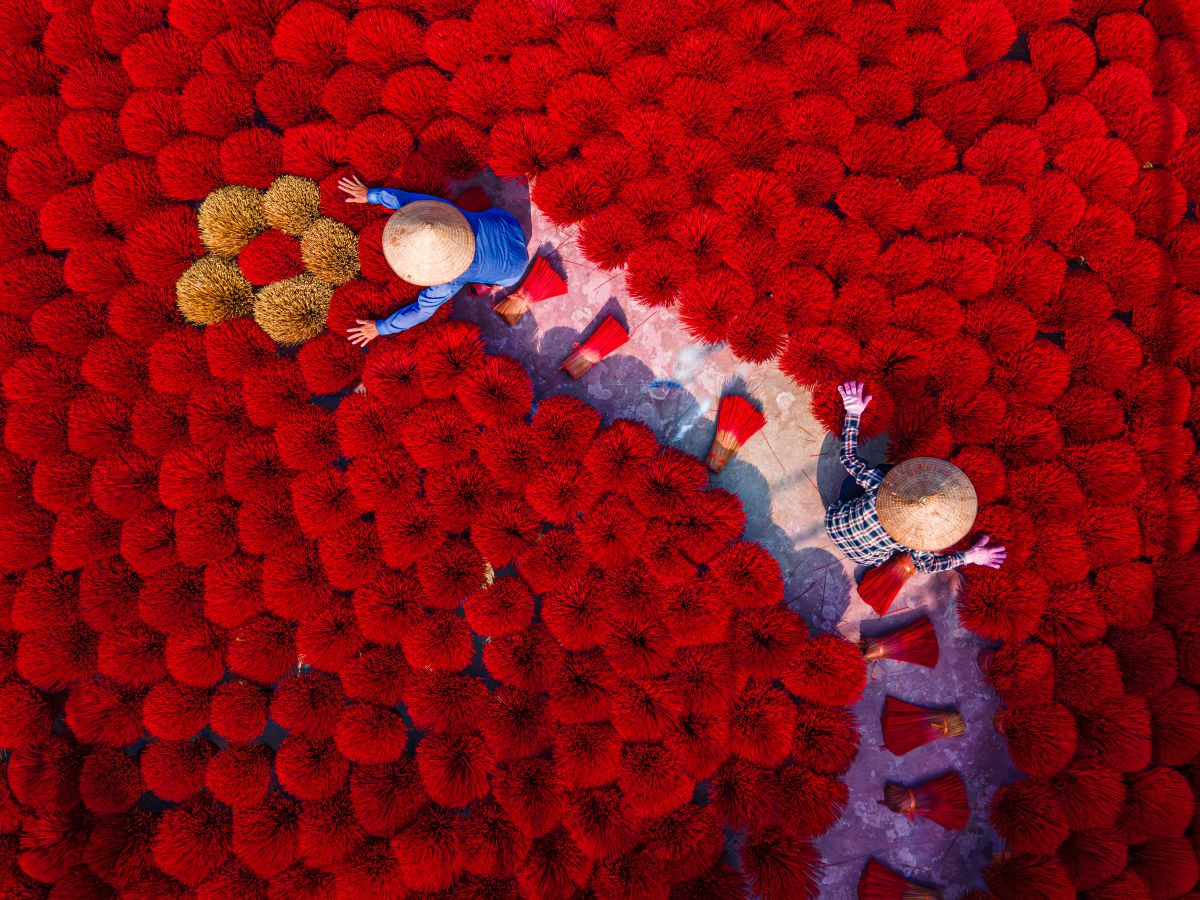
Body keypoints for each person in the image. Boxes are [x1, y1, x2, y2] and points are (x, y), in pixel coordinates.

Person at [826, 380, 1007, 573]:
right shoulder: (919, 540)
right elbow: (926, 566)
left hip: (834, 523)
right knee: (902, 549)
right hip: (864, 558)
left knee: (876, 474)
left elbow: (848, 458)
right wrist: (970, 557)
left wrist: (853, 412)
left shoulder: (881, 486)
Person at [339, 174, 529, 346]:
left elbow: (421, 311)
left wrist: (380, 328)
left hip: (513, 272)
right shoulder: (443, 212)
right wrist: (370, 195)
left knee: (484, 276)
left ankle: (488, 281)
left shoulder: (450, 280)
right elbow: (405, 200)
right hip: (509, 224)